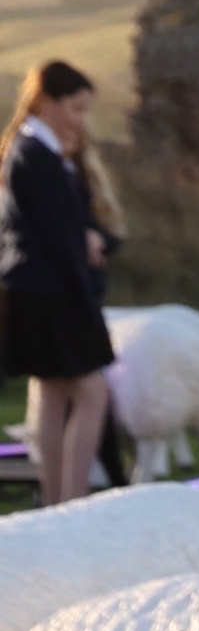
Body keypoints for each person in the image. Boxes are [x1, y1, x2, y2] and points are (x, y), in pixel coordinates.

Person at [4, 59, 118, 504]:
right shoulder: (37, 156)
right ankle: (71, 500)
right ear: (46, 102)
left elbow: (61, 226)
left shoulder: (34, 151)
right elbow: (59, 238)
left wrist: (88, 235)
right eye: (75, 108)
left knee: (53, 393)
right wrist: (87, 300)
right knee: (93, 393)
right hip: (54, 292)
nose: (80, 120)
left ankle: (57, 502)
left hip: (35, 289)